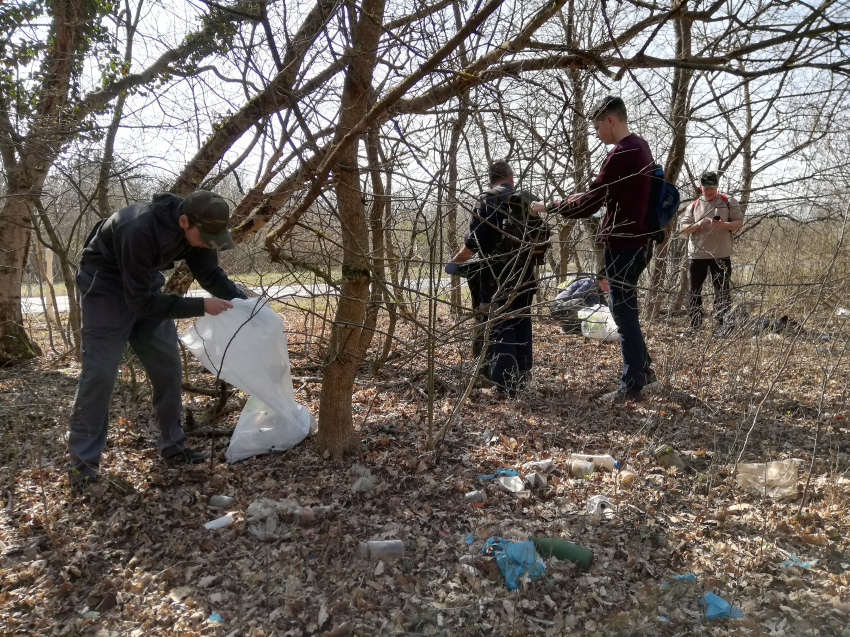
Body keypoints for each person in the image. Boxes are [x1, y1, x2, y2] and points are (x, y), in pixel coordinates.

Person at [68, 190, 247, 490]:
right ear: (183, 221)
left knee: (167, 366)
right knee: (99, 372)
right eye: (203, 237)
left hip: (143, 283)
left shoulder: (199, 229)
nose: (206, 244)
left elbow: (211, 275)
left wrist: (245, 304)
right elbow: (141, 304)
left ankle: (173, 446)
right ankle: (83, 469)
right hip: (105, 284)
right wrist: (200, 306)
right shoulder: (136, 228)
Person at [531, 95, 657, 403]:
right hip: (638, 241)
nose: (597, 133)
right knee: (620, 307)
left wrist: (551, 206)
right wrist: (586, 195)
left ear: (611, 120)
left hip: (624, 244)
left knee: (623, 313)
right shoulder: (642, 148)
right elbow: (607, 193)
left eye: (598, 126)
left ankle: (632, 386)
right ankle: (645, 373)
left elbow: (592, 201)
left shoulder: (623, 152)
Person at [446, 161, 539, 397]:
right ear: (511, 177)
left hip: (496, 278)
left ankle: (505, 386)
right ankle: (523, 378)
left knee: (500, 325)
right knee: (521, 322)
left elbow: (473, 243)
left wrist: (455, 263)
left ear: (490, 181)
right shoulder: (527, 200)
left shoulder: (487, 200)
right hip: (526, 276)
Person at [678, 170, 744, 331]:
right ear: (700, 187)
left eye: (711, 188)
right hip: (697, 255)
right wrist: (698, 224)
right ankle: (695, 324)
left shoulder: (728, 201)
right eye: (705, 188)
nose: (708, 192)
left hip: (721, 255)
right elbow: (683, 230)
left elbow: (739, 223)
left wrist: (723, 225)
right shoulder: (693, 205)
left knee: (722, 290)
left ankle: (723, 324)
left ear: (717, 187)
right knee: (694, 291)